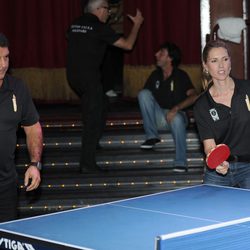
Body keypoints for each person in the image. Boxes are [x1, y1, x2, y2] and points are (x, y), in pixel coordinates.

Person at [66, 0, 144, 173]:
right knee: (92, 119)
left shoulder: (75, 24)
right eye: (107, 10)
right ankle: (87, 163)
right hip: (89, 79)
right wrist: (137, 25)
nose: (108, 14)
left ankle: (94, 142)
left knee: (102, 103)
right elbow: (128, 45)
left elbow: (73, 39)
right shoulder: (99, 27)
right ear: (99, 10)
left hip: (73, 77)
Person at [193, 39, 250, 188]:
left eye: (225, 59)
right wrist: (217, 162)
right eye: (214, 60)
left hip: (249, 165)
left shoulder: (247, 89)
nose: (221, 65)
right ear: (205, 66)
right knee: (208, 210)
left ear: (230, 62)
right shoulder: (201, 105)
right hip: (220, 170)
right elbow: (209, 145)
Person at [0, 33, 43, 222]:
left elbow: (33, 128)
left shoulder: (17, 88)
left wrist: (35, 164)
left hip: (5, 185)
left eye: (6, 57)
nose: (3, 65)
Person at [138, 42, 197, 173]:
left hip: (177, 115)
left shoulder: (181, 75)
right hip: (159, 117)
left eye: (161, 53)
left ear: (170, 58)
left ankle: (181, 162)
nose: (156, 55)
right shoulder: (155, 75)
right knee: (143, 93)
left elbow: (194, 96)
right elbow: (146, 99)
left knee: (176, 118)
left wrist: (176, 108)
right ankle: (151, 136)